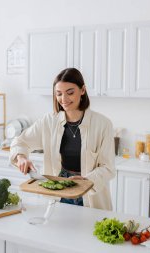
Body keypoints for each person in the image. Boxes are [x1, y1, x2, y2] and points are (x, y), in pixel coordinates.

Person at [10, 68, 115, 210]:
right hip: (58, 192)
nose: (64, 99)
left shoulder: (103, 124)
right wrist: (21, 156)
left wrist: (86, 181)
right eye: (59, 94)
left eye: (70, 92)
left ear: (82, 90)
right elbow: (20, 141)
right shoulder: (49, 121)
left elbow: (107, 168)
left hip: (90, 193)